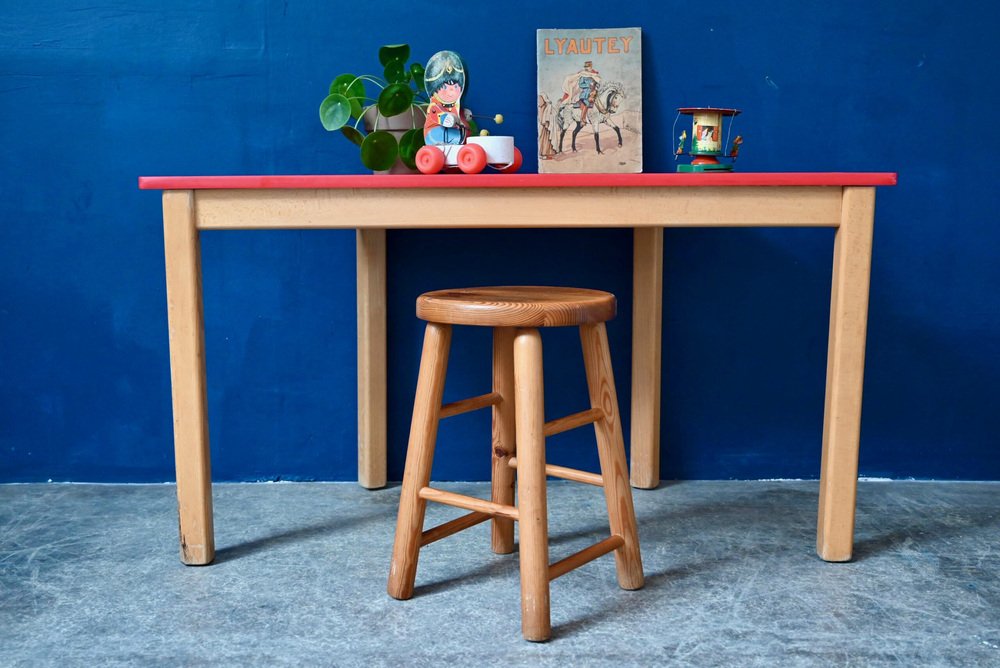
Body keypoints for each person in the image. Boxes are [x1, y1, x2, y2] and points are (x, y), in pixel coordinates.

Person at [423, 50, 468, 145]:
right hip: (434, 135)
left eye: (456, 86)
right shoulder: (434, 107)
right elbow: (438, 116)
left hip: (455, 135)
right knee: (447, 131)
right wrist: (446, 119)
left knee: (464, 131)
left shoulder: (455, 105)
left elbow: (457, 115)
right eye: (445, 87)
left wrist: (463, 114)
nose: (451, 91)